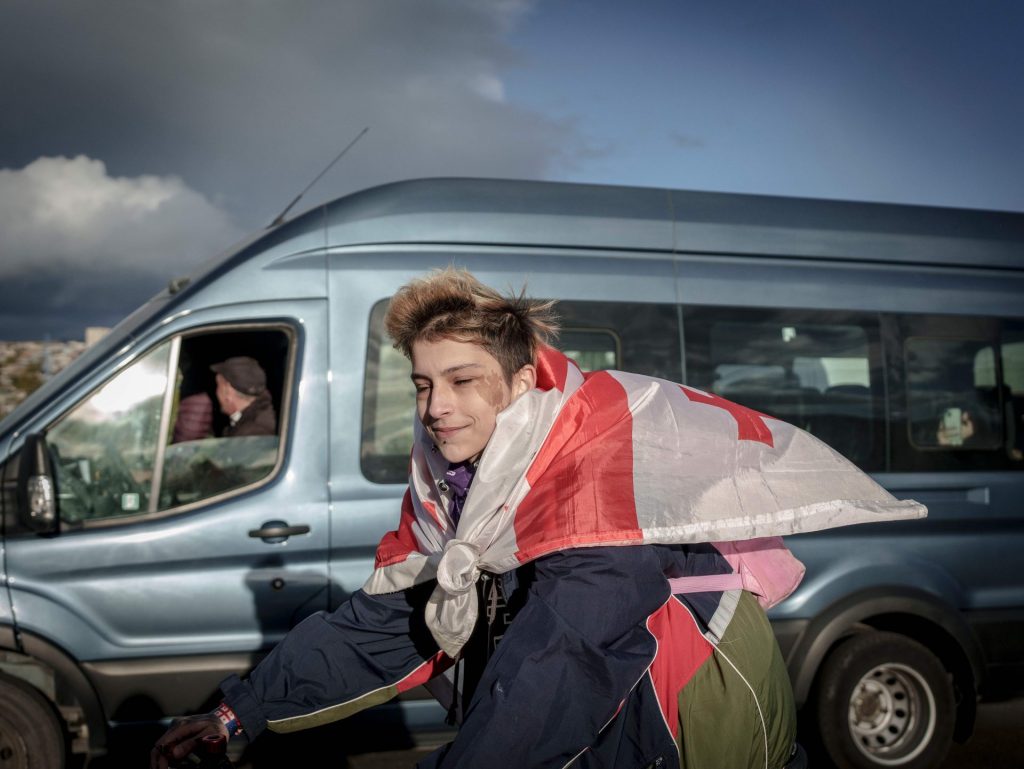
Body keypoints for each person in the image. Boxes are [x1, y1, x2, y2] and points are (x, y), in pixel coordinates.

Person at [153, 268, 924, 768]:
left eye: (462, 379)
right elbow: (386, 618)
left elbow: (564, 658)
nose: (436, 406)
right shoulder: (450, 482)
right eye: (422, 384)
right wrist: (237, 711)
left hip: (673, 724)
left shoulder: (592, 474)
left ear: (523, 381)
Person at [210, 356, 276, 437]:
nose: (216, 392)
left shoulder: (251, 434)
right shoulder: (260, 416)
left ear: (228, 391)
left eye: (218, 386)